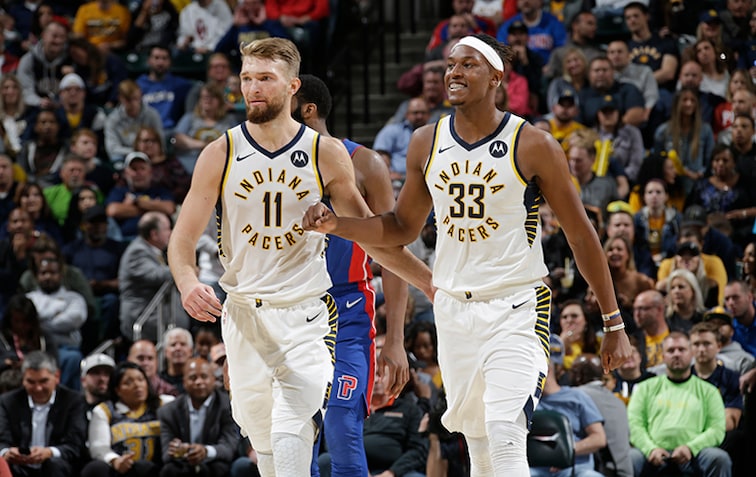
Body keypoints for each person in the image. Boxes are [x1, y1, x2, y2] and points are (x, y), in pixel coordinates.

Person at [303, 34, 632, 475]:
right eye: (450, 64)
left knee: (505, 431)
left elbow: (581, 236)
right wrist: (337, 224)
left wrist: (613, 321)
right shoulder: (426, 141)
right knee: (478, 448)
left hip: (515, 306)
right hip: (454, 309)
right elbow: (401, 228)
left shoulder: (532, 144)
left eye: (468, 64)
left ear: (496, 77)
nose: (454, 73)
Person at [167, 37, 428, 477]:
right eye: (247, 78)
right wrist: (188, 282)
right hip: (243, 315)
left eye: (265, 79)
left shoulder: (324, 153)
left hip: (305, 314)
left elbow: (373, 238)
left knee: (293, 434)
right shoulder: (220, 153)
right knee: (266, 445)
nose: (253, 88)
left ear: (292, 87)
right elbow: (181, 239)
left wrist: (430, 283)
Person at [292, 73, 416, 477]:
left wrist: (395, 340)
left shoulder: (365, 163)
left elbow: (393, 252)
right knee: (296, 436)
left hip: (348, 309)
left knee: (341, 423)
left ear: (307, 110)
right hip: (292, 309)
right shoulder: (271, 165)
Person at [628, 332, 732, 477]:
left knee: (719, 458)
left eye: (682, 349)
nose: (676, 354)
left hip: (695, 455)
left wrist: (691, 448)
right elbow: (635, 425)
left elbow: (716, 429)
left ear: (691, 354)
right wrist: (650, 449)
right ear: (663, 356)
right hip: (653, 455)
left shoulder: (709, 391)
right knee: (630, 458)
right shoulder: (645, 388)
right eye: (671, 350)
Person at [0, 351, 87, 477]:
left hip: (56, 466)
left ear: (57, 376)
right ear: (23, 379)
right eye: (31, 382)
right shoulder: (8, 402)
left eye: (43, 381)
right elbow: (2, 439)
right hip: (18, 466)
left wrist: (49, 452)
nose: (38, 388)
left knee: (54, 464)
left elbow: (75, 445)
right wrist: (7, 452)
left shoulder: (73, 401)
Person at [81, 361, 170, 477]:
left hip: (155, 468)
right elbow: (99, 447)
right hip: (119, 469)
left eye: (141, 380)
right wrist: (114, 460)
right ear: (117, 390)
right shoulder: (104, 410)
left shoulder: (164, 404)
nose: (137, 385)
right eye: (128, 382)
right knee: (95, 468)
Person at [158, 357, 239, 477]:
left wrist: (205, 451)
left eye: (204, 377)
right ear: (184, 382)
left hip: (214, 463)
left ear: (213, 380)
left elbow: (228, 448)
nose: (199, 382)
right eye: (193, 378)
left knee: (219, 467)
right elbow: (166, 454)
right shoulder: (168, 411)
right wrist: (178, 450)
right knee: (169, 470)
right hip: (183, 464)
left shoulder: (228, 406)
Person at [119, 211, 187, 343]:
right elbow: (156, 275)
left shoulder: (153, 251)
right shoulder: (137, 251)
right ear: (154, 234)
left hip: (156, 315)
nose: (170, 233)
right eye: (167, 229)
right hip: (143, 316)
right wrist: (184, 269)